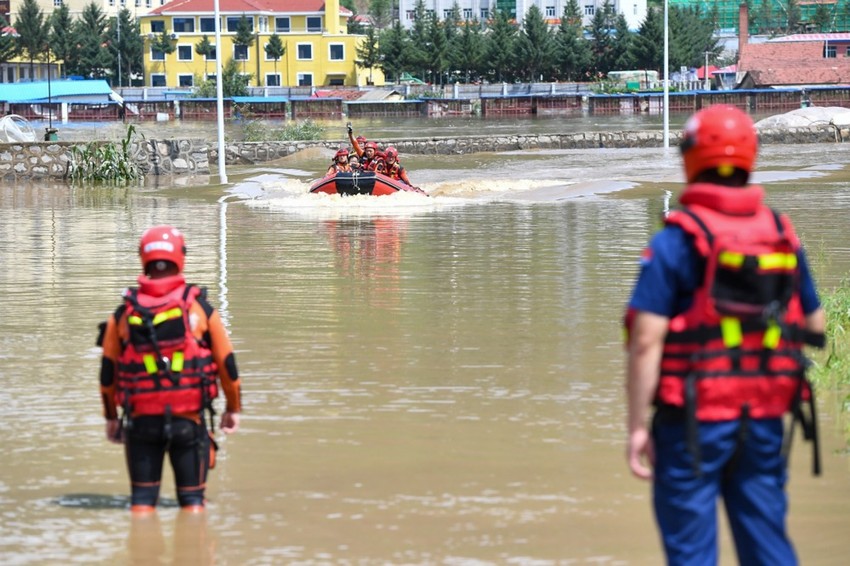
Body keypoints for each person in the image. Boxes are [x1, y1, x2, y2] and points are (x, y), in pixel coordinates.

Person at [623, 104, 825, 565]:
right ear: (751, 156)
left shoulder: (675, 242)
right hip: (764, 416)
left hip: (692, 421)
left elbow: (646, 342)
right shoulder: (781, 234)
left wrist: (636, 428)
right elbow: (814, 325)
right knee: (768, 546)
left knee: (692, 554)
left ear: (690, 158)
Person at [97, 225, 242, 514]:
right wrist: (233, 408)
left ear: (143, 257)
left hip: (140, 424)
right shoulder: (200, 309)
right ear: (181, 256)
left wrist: (111, 417)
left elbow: (108, 374)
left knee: (141, 506)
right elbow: (227, 364)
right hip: (188, 423)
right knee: (193, 505)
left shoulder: (124, 312)